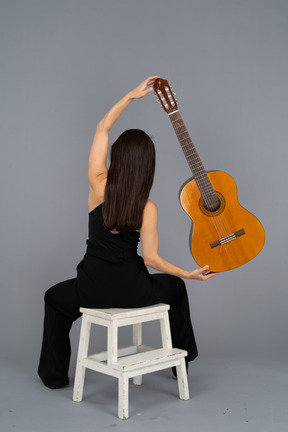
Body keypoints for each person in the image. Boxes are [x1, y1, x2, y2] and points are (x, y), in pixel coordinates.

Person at [38, 76, 215, 389]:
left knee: (53, 299)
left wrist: (131, 96)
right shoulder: (148, 207)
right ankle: (181, 365)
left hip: (90, 289)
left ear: (117, 157)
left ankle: (53, 377)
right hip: (136, 291)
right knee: (174, 288)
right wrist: (187, 274)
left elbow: (101, 128)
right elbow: (151, 258)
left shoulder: (98, 184)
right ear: (147, 166)